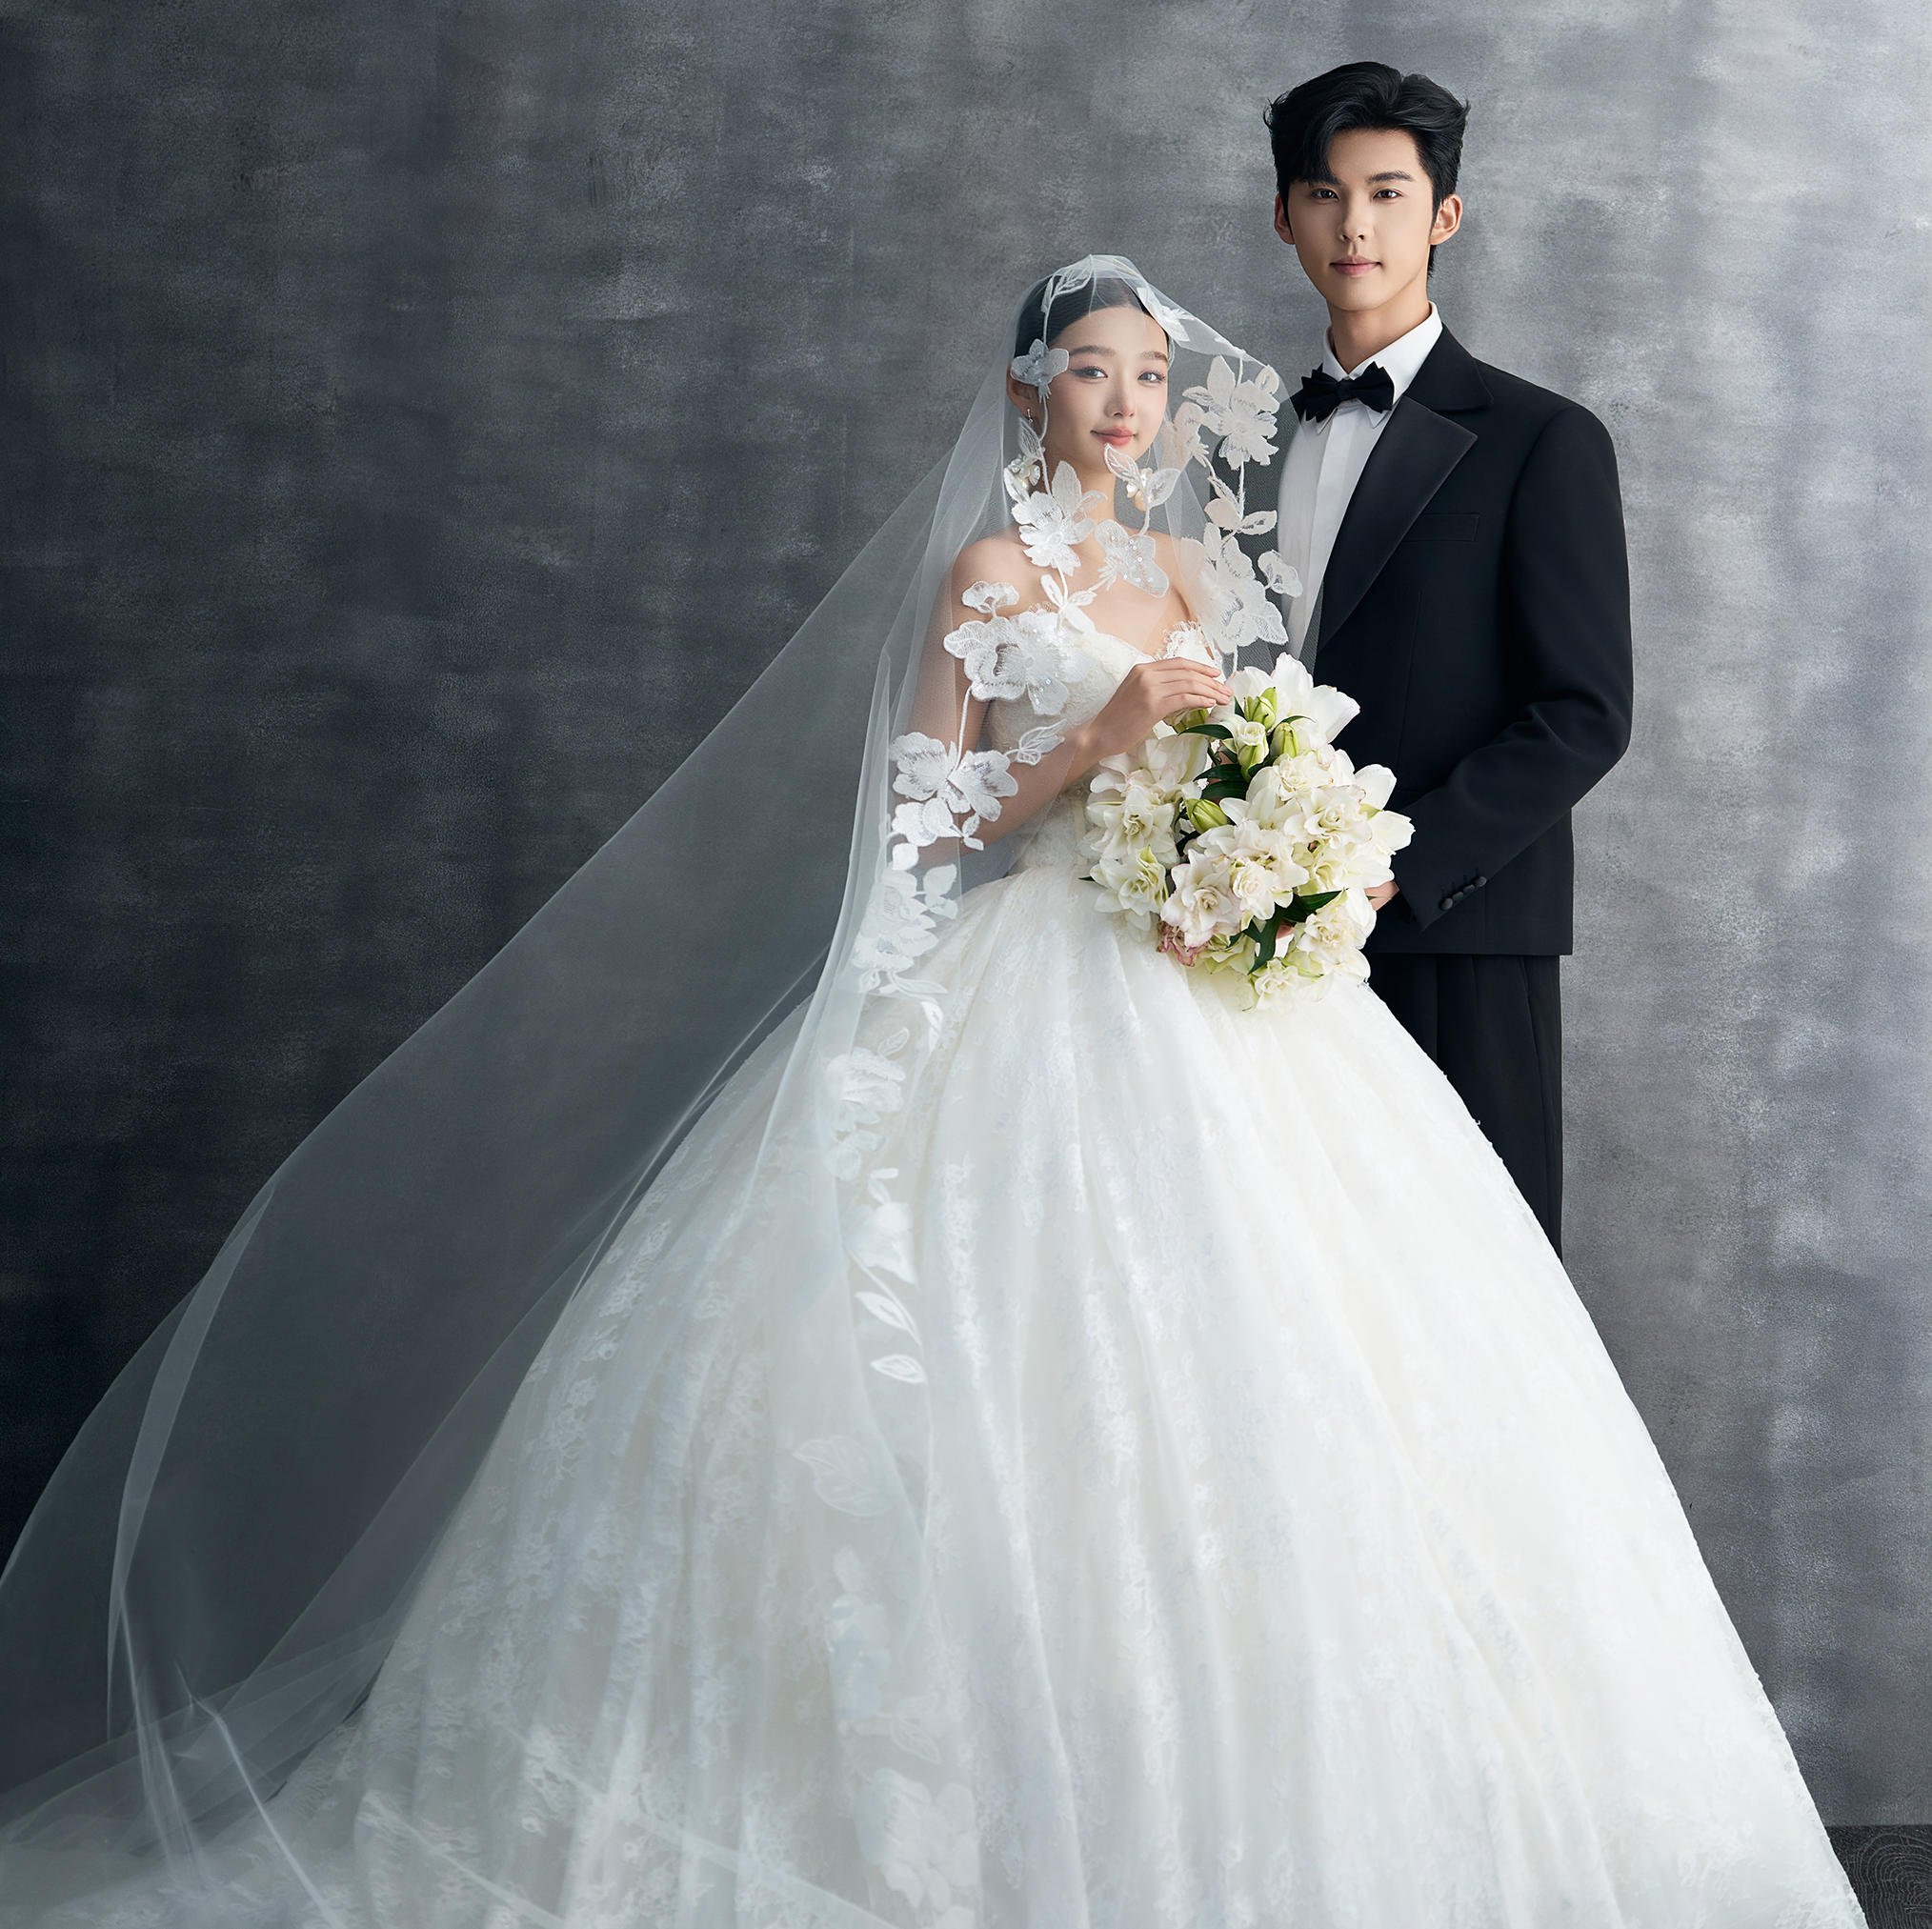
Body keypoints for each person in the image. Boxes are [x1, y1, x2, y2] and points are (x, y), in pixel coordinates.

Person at [0, 257, 1862, 1928]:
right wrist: (1090, 745)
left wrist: (1260, 864)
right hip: (1027, 979)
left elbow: (1251, 765)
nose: (1126, 401)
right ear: (1028, 390)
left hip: (1213, 995)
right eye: (1092, 371)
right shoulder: (989, 578)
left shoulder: (1196, 576)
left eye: (1150, 374)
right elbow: (918, 827)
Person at [1267, 63, 1634, 1252]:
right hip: (1255, 939)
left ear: (1445, 216)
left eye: (1388, 193)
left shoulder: (1543, 439)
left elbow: (1583, 712)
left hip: (1454, 934)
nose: (1355, 226)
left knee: (1469, 1290)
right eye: (1325, 194)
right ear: (1284, 217)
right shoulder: (1238, 444)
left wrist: (1392, 865)